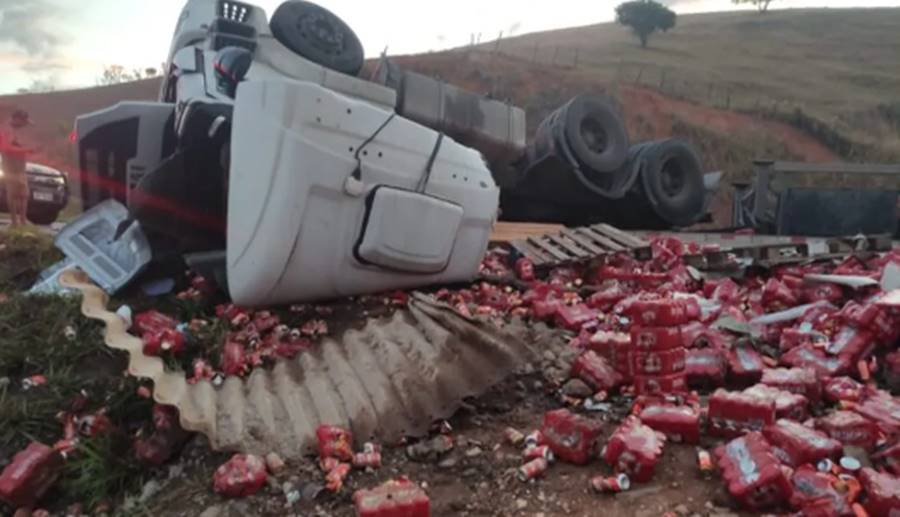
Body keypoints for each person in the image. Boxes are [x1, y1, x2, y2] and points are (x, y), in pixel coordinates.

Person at [0, 109, 40, 227]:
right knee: (13, 194)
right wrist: (27, 149)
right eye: (24, 122)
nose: (25, 125)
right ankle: (14, 222)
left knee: (24, 194)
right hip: (10, 167)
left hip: (21, 167)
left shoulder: (17, 131)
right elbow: (6, 148)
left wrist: (30, 150)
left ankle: (23, 220)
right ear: (17, 119)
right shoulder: (6, 130)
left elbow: (18, 145)